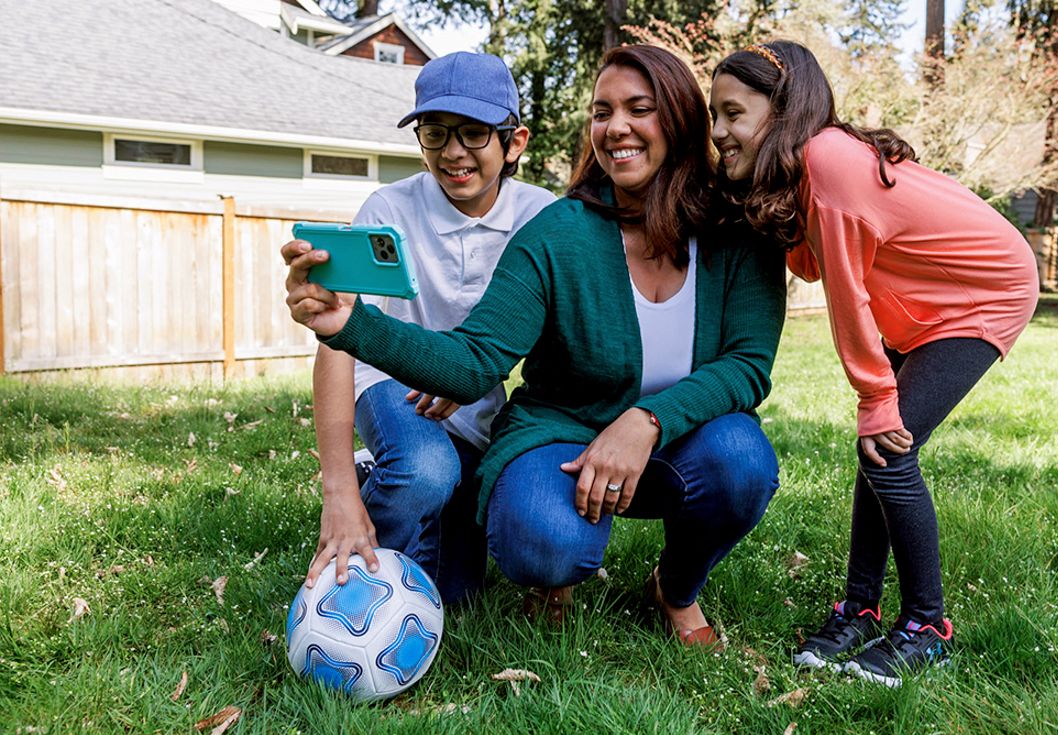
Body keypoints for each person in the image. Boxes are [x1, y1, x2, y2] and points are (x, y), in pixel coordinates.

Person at [284, 45, 787, 646]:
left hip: (678, 442)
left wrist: (647, 419)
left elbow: (748, 366)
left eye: (639, 108)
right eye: (602, 112)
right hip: (561, 436)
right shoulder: (558, 231)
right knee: (535, 541)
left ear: (679, 120)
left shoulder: (738, 230)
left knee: (742, 459)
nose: (616, 126)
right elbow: (475, 360)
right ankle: (534, 569)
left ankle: (675, 590)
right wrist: (348, 325)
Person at [709, 40, 1039, 683]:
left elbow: (847, 293)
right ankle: (859, 607)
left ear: (781, 111)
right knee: (876, 451)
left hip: (981, 294)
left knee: (888, 447)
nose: (719, 132)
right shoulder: (803, 168)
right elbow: (813, 259)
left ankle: (927, 624)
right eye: (714, 117)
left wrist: (875, 397)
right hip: (921, 303)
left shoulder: (828, 159)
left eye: (732, 114)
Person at [297, 52, 555, 605]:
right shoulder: (388, 209)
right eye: (435, 133)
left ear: (515, 141)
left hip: (475, 405)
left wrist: (462, 373)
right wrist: (336, 488)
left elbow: (553, 341)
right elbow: (337, 342)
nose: (453, 152)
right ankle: (358, 580)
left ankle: (387, 484)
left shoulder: (541, 215)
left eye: (474, 133)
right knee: (425, 468)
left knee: (457, 594)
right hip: (391, 388)